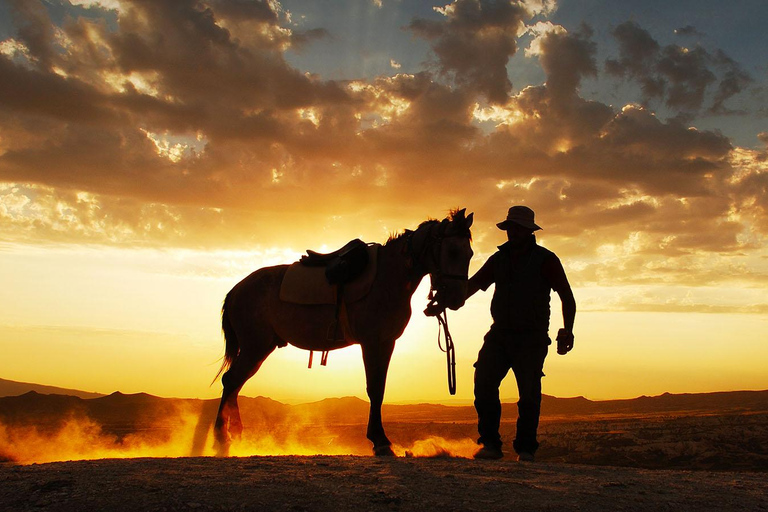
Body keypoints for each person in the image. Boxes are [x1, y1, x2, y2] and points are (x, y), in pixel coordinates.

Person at [427, 205, 576, 461]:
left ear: (528, 231)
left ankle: (525, 448)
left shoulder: (546, 260)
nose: (512, 233)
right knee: (484, 383)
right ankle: (491, 445)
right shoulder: (499, 259)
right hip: (500, 334)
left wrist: (567, 330)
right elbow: (473, 285)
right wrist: (443, 303)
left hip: (531, 337)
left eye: (517, 228)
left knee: (528, 394)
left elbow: (566, 296)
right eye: (510, 228)